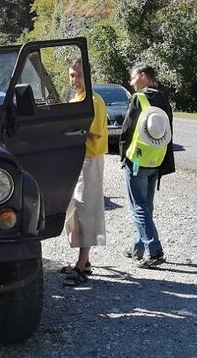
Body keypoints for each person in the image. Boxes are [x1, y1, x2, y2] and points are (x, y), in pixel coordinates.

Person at [118, 63, 175, 268]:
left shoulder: (138, 98)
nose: (131, 81)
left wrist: (124, 157)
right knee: (147, 205)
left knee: (139, 207)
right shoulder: (163, 99)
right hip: (157, 159)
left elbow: (127, 130)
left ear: (143, 76)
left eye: (133, 77)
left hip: (138, 160)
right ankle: (137, 247)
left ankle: (155, 250)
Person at [61, 60, 107, 286]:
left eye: (78, 75)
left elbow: (93, 135)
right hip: (75, 161)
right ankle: (83, 260)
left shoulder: (93, 101)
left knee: (85, 210)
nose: (74, 79)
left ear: (87, 76)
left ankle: (81, 266)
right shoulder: (76, 99)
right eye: (71, 75)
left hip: (89, 161)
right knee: (74, 211)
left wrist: (66, 129)